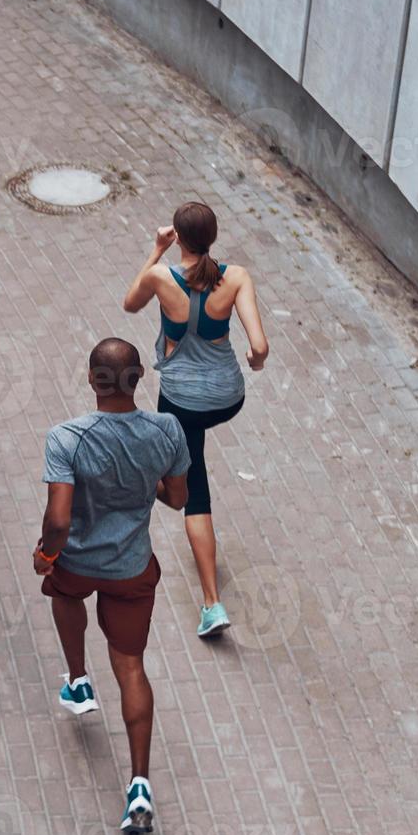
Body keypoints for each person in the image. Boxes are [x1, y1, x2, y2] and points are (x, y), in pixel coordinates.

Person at [33, 338, 190, 835]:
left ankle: (78, 679)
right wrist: (143, 483)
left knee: (64, 593)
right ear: (140, 376)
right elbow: (177, 498)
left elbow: (59, 519)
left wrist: (46, 553)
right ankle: (139, 783)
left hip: (78, 561)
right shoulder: (167, 431)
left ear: (91, 380)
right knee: (131, 667)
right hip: (130, 569)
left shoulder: (66, 438)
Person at [122, 202, 269, 638]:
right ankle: (169, 477)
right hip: (227, 397)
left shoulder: (161, 277)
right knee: (190, 450)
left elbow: (130, 304)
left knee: (193, 489)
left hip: (182, 401)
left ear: (179, 239)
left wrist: (155, 250)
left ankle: (211, 603)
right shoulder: (236, 276)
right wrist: (253, 360)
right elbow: (259, 346)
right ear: (213, 237)